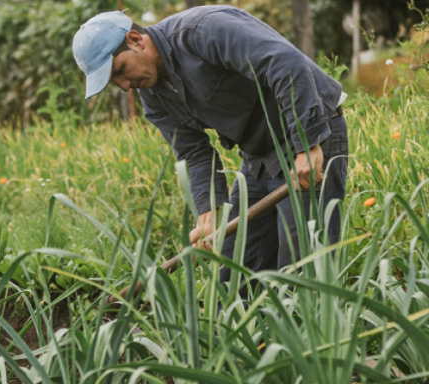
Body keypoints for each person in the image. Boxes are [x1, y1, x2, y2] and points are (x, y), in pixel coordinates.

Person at [72, 5, 348, 302]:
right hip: (258, 156)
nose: (125, 86)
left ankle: (313, 342)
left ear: (136, 40)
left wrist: (307, 142)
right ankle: (248, 345)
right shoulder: (152, 94)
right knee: (233, 270)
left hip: (308, 133)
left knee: (303, 267)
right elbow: (193, 152)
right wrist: (208, 211)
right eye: (115, 82)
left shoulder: (201, 31)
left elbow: (284, 62)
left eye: (120, 71)